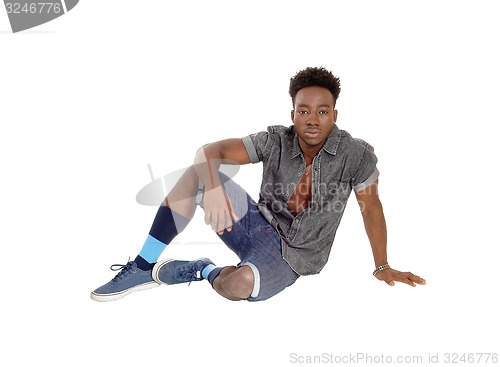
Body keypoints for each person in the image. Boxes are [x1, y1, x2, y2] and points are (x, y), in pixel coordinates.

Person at [91, 66, 426, 302]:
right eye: (304, 111)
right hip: (253, 223)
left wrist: (381, 265)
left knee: (237, 286)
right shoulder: (275, 140)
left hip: (292, 258)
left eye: (322, 111)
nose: (312, 119)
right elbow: (209, 151)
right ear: (293, 113)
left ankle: (202, 269)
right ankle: (142, 266)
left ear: (334, 115)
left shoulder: (356, 155)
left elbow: (371, 207)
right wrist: (215, 188)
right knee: (196, 173)